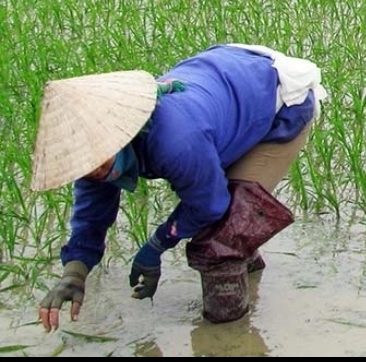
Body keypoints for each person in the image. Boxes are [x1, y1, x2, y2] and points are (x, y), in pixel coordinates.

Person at [31, 43, 327, 329]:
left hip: (279, 101)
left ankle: (227, 340)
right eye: (86, 165)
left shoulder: (176, 140)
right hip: (230, 85)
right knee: (225, 209)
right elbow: (91, 217)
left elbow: (209, 204)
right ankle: (249, 275)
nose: (94, 169)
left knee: (220, 237)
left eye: (99, 159)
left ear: (122, 133)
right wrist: (75, 271)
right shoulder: (96, 160)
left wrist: (156, 245)